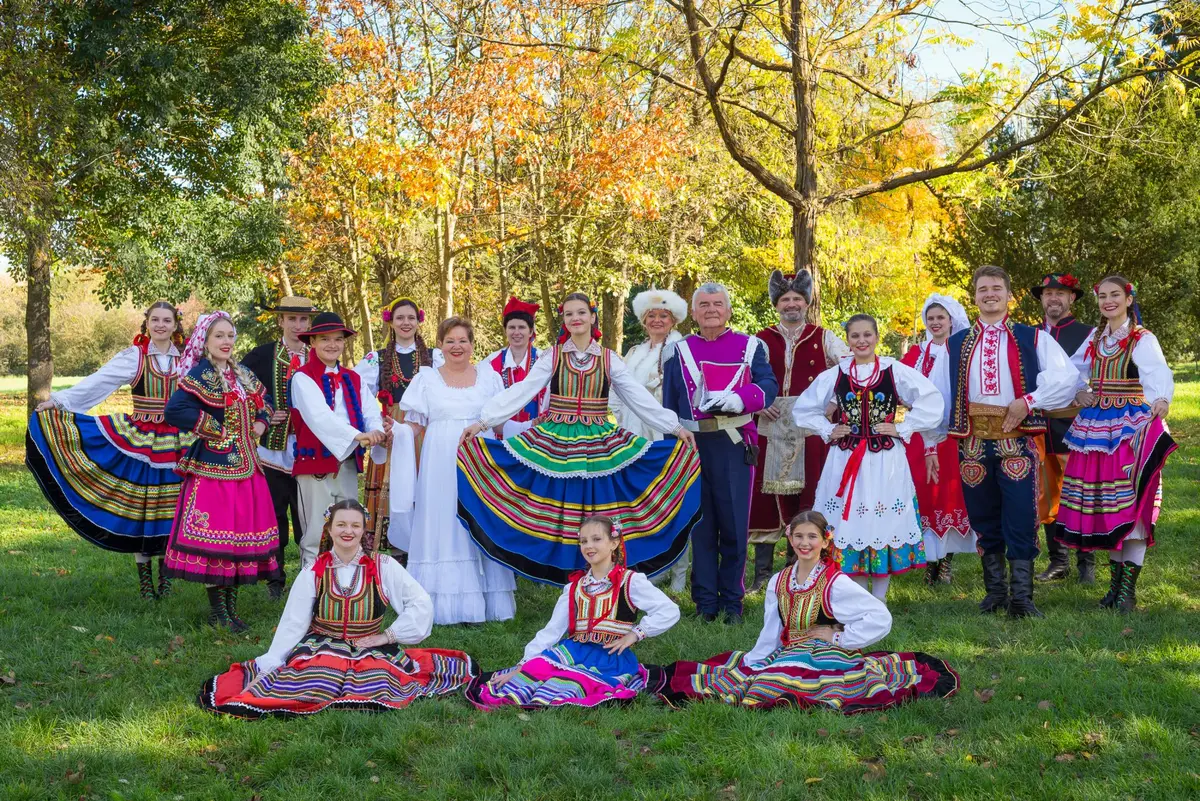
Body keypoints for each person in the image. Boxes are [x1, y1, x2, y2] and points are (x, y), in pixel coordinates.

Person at [458, 292, 701, 587]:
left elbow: (637, 397)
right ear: (564, 320)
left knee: (598, 506)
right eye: (569, 314)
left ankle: (601, 577)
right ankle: (567, 574)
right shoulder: (553, 356)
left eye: (581, 312)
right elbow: (522, 391)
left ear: (592, 317)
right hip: (556, 440)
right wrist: (484, 422)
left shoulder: (609, 359)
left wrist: (674, 427)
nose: (576, 318)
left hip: (598, 440)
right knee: (560, 505)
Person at [654, 511, 959, 712]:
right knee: (766, 679)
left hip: (828, 652)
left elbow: (880, 617)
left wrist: (839, 637)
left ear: (825, 541)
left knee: (792, 683)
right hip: (790, 649)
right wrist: (754, 661)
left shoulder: (835, 582)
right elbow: (772, 629)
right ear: (790, 538)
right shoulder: (779, 580)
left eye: (812, 537)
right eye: (799, 536)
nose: (804, 543)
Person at [197, 499, 477, 718]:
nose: (348, 531)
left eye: (355, 525)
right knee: (315, 680)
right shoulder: (313, 570)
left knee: (380, 681)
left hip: (370, 647)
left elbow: (420, 602)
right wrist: (274, 659)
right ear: (329, 529)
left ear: (363, 530)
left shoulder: (384, 566)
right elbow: (294, 621)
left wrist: (387, 636)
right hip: (322, 646)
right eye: (341, 525)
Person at [929, 265, 1078, 618]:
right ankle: (995, 593)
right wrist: (932, 441)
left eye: (996, 288)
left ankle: (1022, 598)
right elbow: (938, 394)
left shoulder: (1032, 337)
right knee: (983, 516)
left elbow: (1066, 378)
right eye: (983, 289)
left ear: (1009, 295)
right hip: (973, 443)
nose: (990, 294)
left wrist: (1028, 401)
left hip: (1016, 441)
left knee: (1021, 517)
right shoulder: (955, 343)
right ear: (975, 297)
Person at [27, 302, 190, 600]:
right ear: (147, 323)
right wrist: (59, 402)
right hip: (143, 440)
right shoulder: (135, 357)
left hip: (179, 441)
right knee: (143, 506)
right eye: (155, 319)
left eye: (167, 320)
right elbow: (99, 383)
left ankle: (166, 581)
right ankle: (146, 585)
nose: (161, 325)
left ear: (176, 325)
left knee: (172, 507)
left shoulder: (188, 358)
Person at [792, 314, 943, 601]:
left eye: (867, 335)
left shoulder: (893, 370)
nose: (861, 341)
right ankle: (859, 596)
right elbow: (804, 408)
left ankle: (880, 599)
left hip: (884, 459)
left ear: (876, 337)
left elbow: (932, 400)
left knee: (882, 522)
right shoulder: (837, 373)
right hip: (845, 457)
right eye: (855, 336)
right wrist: (828, 429)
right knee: (850, 523)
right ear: (848, 340)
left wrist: (903, 427)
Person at [465, 514, 680, 709]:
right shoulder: (575, 588)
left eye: (596, 539)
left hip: (610, 659)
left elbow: (669, 610)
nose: (589, 546)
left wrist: (635, 634)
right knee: (533, 671)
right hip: (573, 652)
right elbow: (552, 630)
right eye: (583, 541)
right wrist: (521, 666)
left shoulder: (630, 582)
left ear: (614, 543)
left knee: (574, 684)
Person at [1055, 276, 1176, 613]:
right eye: (1102, 296)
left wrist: (1161, 399)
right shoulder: (1095, 338)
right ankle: (1114, 589)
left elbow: (1158, 373)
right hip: (1095, 427)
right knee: (1106, 504)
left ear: (1128, 299)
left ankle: (1128, 592)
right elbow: (1071, 371)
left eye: (1115, 295)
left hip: (1129, 427)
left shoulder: (1141, 338)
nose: (1108, 301)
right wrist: (1079, 391)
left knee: (1130, 501)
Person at [661, 283, 779, 624]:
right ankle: (705, 604)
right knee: (701, 526)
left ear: (728, 310)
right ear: (693, 313)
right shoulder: (677, 351)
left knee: (733, 526)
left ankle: (732, 603)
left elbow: (768, 385)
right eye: (704, 304)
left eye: (717, 304)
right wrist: (672, 450)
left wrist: (742, 398)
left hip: (733, 443)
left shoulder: (751, 346)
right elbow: (669, 406)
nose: (711, 309)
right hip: (692, 446)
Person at [162, 311, 281, 631]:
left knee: (237, 538)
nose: (226, 341)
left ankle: (230, 609)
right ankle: (218, 611)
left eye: (230, 336)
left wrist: (261, 423)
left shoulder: (241, 373)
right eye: (219, 336)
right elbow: (174, 410)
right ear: (205, 341)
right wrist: (215, 429)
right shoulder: (201, 374)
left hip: (248, 468)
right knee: (217, 540)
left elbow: (266, 401)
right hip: (214, 470)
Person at [399, 317, 517, 624]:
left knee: (477, 518)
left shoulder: (489, 378)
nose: (457, 346)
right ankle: (441, 601)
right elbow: (414, 424)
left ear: (472, 345)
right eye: (450, 340)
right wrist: (395, 433)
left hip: (480, 460)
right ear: (440, 344)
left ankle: (487, 599)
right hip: (439, 462)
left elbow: (501, 422)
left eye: (463, 340)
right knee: (444, 518)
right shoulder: (426, 379)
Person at [748, 270, 850, 591]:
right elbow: (743, 376)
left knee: (809, 493)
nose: (791, 304)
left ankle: (799, 569)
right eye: (785, 299)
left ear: (806, 303)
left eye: (797, 299)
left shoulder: (824, 337)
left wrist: (832, 402)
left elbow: (850, 368)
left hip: (809, 425)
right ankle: (763, 574)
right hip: (770, 422)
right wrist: (757, 402)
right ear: (776, 305)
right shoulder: (759, 340)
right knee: (764, 498)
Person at [290, 312, 388, 568]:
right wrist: (357, 435)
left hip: (347, 462)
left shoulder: (353, 378)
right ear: (312, 342)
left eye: (337, 339)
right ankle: (311, 585)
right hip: (315, 463)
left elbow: (370, 410)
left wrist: (377, 430)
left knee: (348, 527)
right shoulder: (303, 378)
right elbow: (319, 417)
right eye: (325, 339)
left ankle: (344, 583)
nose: (332, 344)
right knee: (316, 531)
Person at [610, 288, 690, 592]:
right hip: (633, 435)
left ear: (673, 320)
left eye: (663, 315)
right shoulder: (634, 352)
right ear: (644, 321)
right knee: (640, 503)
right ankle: (651, 565)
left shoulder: (681, 349)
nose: (657, 320)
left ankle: (680, 570)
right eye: (651, 316)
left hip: (665, 434)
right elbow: (617, 391)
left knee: (671, 501)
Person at [241, 295, 317, 599]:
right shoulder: (261, 355)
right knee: (274, 514)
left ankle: (309, 577)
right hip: (271, 451)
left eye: (303, 319)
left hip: (310, 451)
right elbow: (236, 391)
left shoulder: (319, 355)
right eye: (291, 319)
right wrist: (262, 413)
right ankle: (275, 579)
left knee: (307, 515)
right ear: (281, 321)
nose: (298, 325)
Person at [900, 294, 977, 585]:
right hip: (919, 436)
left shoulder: (961, 351)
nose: (935, 323)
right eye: (930, 318)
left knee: (947, 495)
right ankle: (929, 560)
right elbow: (899, 384)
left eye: (940, 318)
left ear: (951, 320)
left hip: (952, 435)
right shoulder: (916, 353)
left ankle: (945, 562)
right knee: (923, 494)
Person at [354, 297, 441, 555]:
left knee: (423, 484)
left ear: (419, 321)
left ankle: (425, 546)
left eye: (411, 318)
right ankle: (396, 550)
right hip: (391, 430)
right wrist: (374, 424)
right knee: (393, 487)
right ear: (390, 322)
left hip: (423, 429)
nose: (406, 322)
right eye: (400, 317)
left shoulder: (434, 357)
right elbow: (357, 392)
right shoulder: (376, 359)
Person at [1028, 274, 1096, 584]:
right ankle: (1059, 561)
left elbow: (1097, 377)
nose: (1053, 298)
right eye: (1048, 293)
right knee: (1046, 492)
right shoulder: (1029, 335)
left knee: (1080, 491)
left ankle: (1086, 561)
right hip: (1040, 423)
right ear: (1041, 299)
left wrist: (1085, 391)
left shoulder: (1090, 334)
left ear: (1072, 298)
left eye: (1060, 293)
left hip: (1075, 422)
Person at [481, 296, 544, 439]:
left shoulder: (543, 361)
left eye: (521, 327)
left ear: (531, 331)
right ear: (505, 330)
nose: (516, 332)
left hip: (537, 439)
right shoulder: (491, 363)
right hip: (499, 440)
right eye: (511, 327)